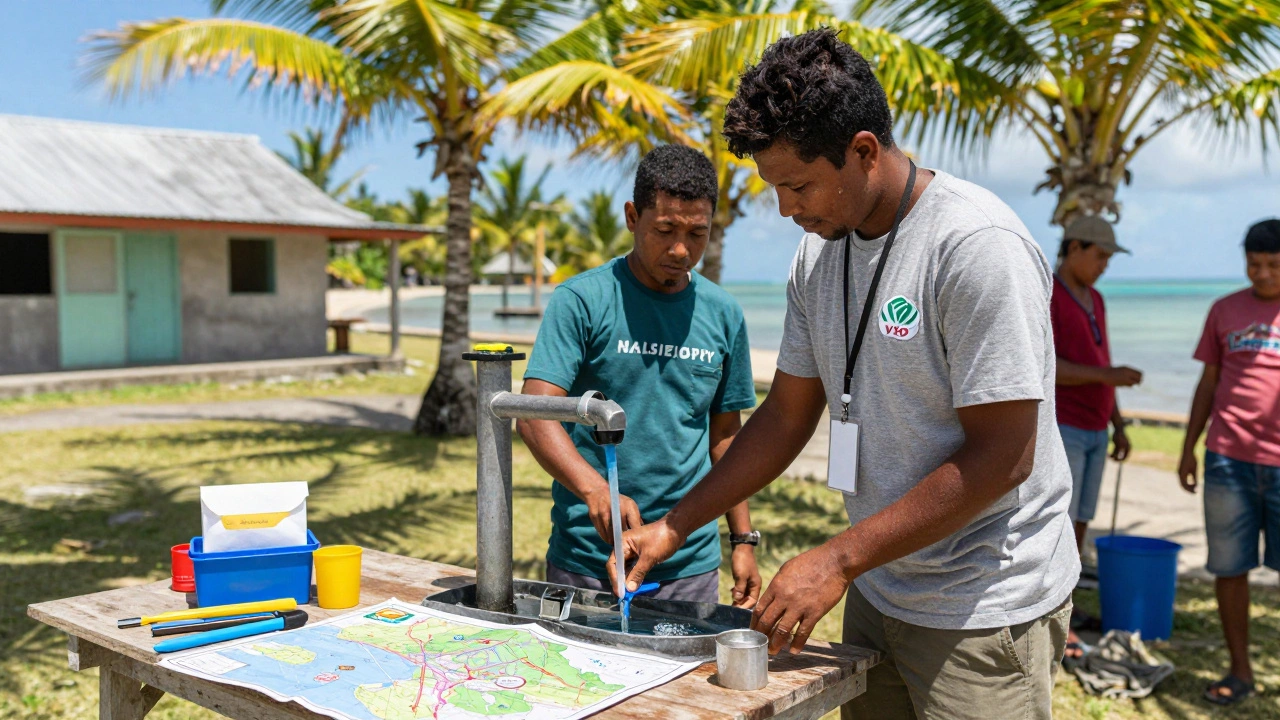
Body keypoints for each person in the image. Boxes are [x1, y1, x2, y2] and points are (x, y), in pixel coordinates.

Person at [612, 29, 1078, 719]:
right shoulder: (818, 255)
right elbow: (786, 415)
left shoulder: (977, 247)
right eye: (775, 188)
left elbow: (1006, 456)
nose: (787, 210)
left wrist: (834, 561)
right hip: (881, 584)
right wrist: (677, 526)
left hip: (983, 602)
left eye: (798, 185)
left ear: (863, 151)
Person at [517, 145, 762, 607]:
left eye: (697, 233)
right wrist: (595, 489)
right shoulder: (582, 300)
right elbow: (533, 414)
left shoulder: (724, 314)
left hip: (689, 565)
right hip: (588, 560)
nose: (680, 249)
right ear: (632, 217)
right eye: (665, 229)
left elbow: (726, 435)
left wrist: (743, 540)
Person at [1178, 218, 1280, 706]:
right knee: (1229, 567)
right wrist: (1188, 449)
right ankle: (1240, 670)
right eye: (1254, 264)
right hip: (1227, 460)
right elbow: (1208, 383)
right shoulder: (1224, 310)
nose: (1262, 274)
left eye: (1274, 266)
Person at [1050, 216, 1142, 657]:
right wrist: (1109, 376)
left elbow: (1101, 363)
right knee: (1057, 525)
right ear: (1074, 248)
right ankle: (1054, 618)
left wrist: (1118, 422)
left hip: (1095, 427)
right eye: (1101, 255)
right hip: (1063, 425)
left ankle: (1066, 609)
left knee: (1081, 523)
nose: (1105, 265)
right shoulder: (1048, 295)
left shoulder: (1096, 298)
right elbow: (1047, 365)